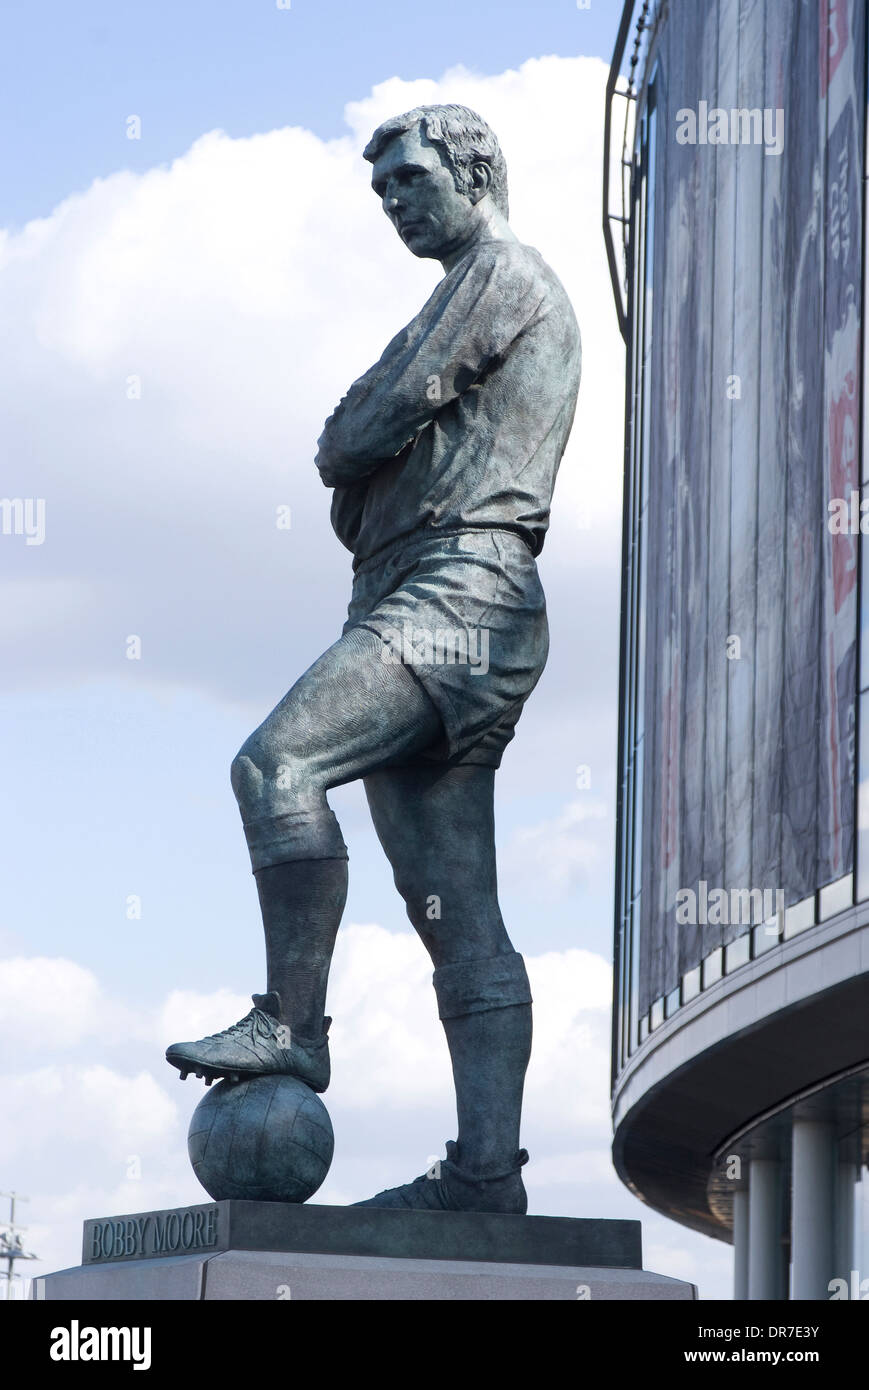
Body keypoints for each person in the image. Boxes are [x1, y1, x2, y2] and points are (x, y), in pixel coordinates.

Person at [166, 104, 581, 1213]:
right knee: (456, 905)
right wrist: (363, 450)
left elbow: (355, 435)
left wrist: (362, 440)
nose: (394, 203)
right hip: (430, 594)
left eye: (408, 179)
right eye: (380, 190)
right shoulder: (458, 291)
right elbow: (357, 466)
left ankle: (292, 1023)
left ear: (474, 166)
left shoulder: (499, 273)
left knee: (275, 766)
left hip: (457, 593)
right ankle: (487, 1174)